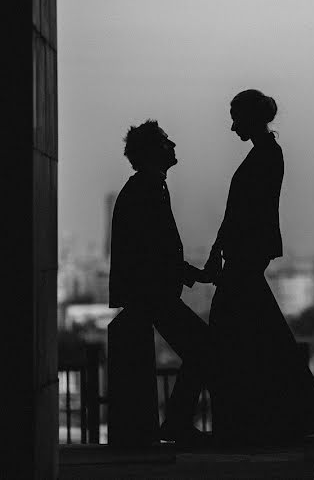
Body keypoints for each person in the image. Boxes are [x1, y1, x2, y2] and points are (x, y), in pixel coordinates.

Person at [205, 89, 314, 445]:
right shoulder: (265, 154)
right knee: (259, 335)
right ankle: (290, 414)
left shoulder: (264, 156)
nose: (232, 127)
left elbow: (243, 211)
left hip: (244, 254)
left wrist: (220, 248)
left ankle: (256, 419)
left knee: (236, 337)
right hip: (246, 253)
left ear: (249, 117)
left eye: (235, 119)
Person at [108, 120, 214, 444]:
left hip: (150, 294)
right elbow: (156, 251)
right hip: (153, 295)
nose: (174, 146)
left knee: (201, 347)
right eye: (167, 141)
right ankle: (178, 422)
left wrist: (192, 275)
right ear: (154, 151)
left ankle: (177, 422)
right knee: (204, 347)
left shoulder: (146, 186)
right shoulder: (149, 188)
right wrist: (194, 275)